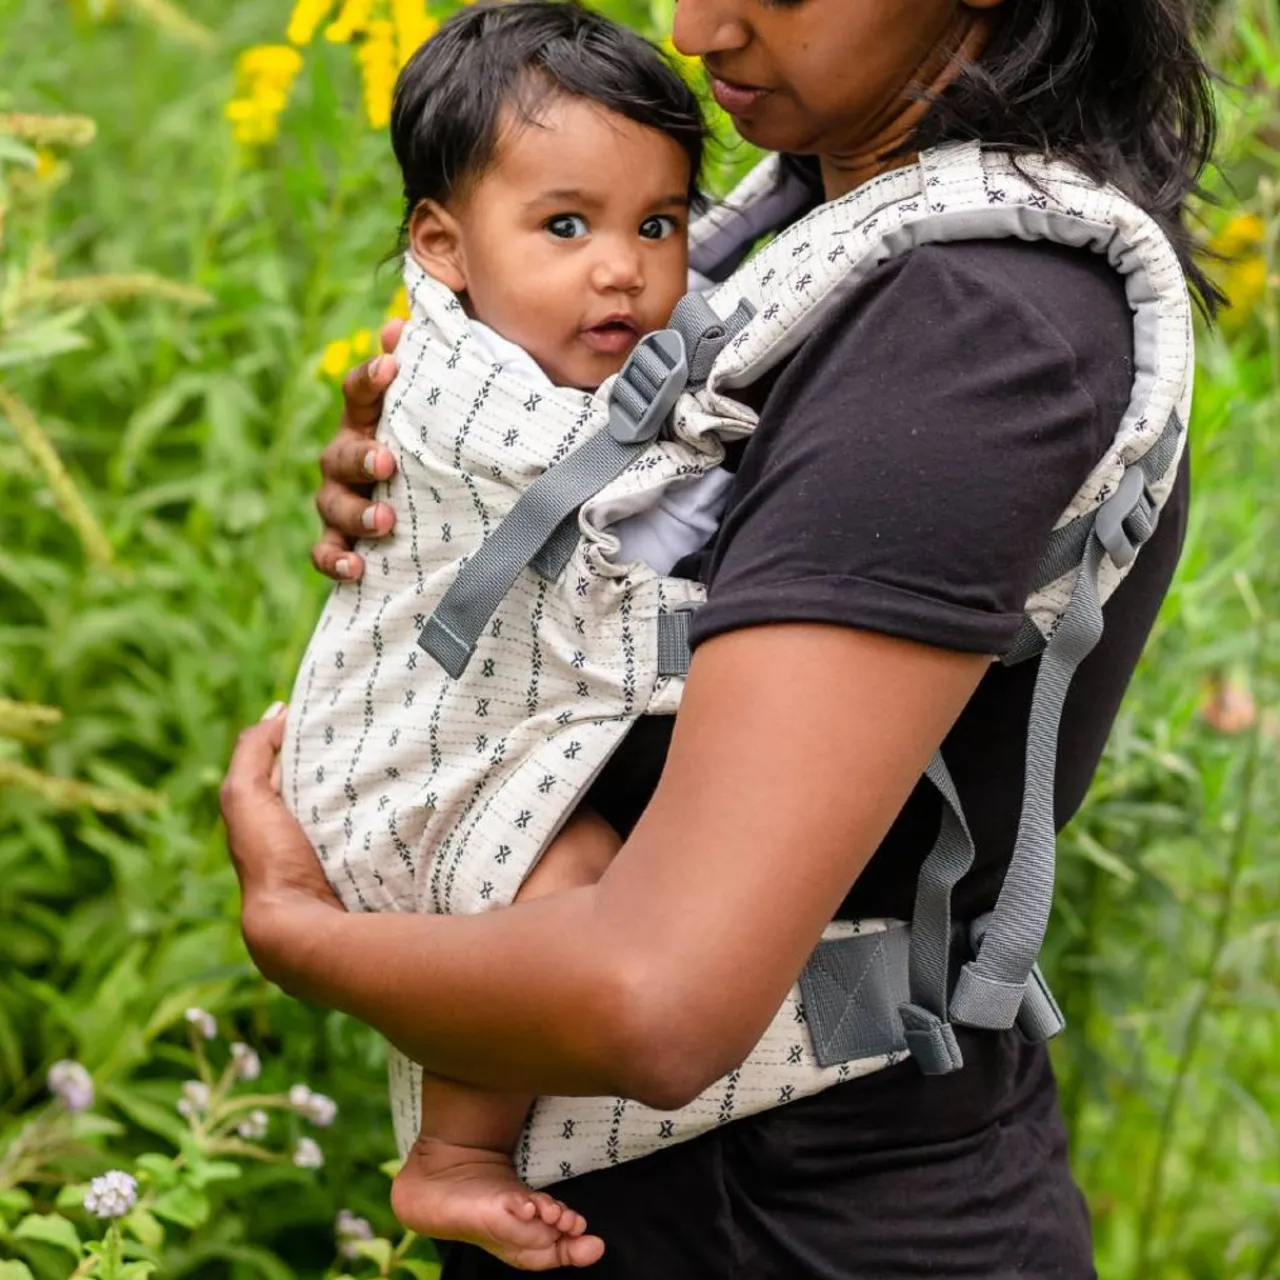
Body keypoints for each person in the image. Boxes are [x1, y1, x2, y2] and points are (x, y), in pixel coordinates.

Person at [222, 0, 1219, 1274]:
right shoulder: (808, 229)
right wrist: (457, 484)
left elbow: (656, 998)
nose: (694, 26)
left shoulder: (968, 332)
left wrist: (298, 931)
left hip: (793, 1222)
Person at [279, 4, 728, 1268]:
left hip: (475, 732)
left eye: (659, 225)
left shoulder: (551, 341)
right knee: (563, 880)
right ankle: (453, 1153)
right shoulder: (467, 389)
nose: (622, 269)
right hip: (406, 760)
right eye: (566, 227)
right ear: (443, 245)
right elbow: (614, 491)